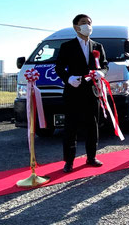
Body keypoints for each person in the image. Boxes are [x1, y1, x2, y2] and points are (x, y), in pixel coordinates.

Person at [55, 14, 108, 173]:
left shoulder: (97, 46)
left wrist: (102, 73)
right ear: (76, 27)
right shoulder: (67, 46)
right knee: (71, 127)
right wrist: (68, 78)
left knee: (93, 126)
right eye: (84, 23)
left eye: (89, 23)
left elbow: (105, 65)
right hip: (74, 91)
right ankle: (69, 161)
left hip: (92, 92)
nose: (88, 26)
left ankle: (91, 157)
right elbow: (59, 68)